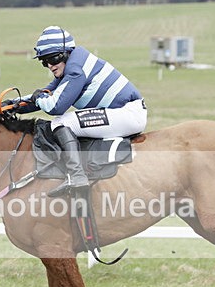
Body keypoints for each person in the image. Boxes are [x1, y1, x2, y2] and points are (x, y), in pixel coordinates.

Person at [11, 26, 147, 197]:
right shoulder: (74, 64)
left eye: (52, 59)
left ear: (65, 53)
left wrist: (37, 99)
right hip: (125, 113)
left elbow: (55, 107)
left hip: (127, 114)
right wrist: (14, 104)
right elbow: (47, 95)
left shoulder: (75, 70)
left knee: (61, 122)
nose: (50, 66)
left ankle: (77, 176)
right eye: (44, 62)